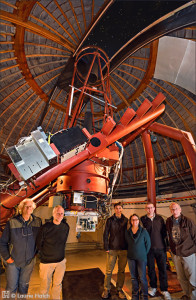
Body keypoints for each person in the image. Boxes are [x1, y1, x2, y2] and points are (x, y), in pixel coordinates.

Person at [0, 198, 42, 298]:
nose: (28, 209)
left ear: (33, 209)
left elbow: (41, 240)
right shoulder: (12, 222)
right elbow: (2, 242)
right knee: (11, 287)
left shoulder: (37, 222)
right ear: (21, 208)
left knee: (24, 286)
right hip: (13, 262)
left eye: (30, 207)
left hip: (29, 262)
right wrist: (7, 258)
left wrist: (36, 253)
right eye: (26, 206)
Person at [36, 205, 70, 300]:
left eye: (61, 213)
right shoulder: (45, 227)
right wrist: (44, 254)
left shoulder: (65, 227)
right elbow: (39, 243)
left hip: (60, 261)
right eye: (57, 213)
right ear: (53, 214)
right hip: (47, 262)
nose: (59, 215)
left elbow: (63, 242)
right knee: (44, 286)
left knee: (57, 284)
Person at [141, 202, 171, 300]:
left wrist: (166, 246)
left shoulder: (160, 219)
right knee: (151, 270)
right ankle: (153, 287)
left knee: (162, 269)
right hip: (148, 250)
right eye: (148, 208)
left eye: (151, 208)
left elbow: (164, 233)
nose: (149, 209)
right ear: (146, 209)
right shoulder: (143, 219)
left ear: (154, 208)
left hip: (161, 248)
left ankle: (164, 290)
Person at [166, 202, 196, 300]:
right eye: (172, 209)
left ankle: (194, 297)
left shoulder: (188, 221)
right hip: (176, 254)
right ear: (170, 210)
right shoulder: (168, 221)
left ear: (180, 209)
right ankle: (187, 295)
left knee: (192, 277)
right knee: (181, 277)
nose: (174, 211)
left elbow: (195, 237)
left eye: (176, 209)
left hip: (188, 253)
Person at [102, 202, 128, 299]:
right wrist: (106, 247)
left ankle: (119, 289)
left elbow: (129, 234)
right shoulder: (110, 220)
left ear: (122, 209)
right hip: (112, 249)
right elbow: (105, 234)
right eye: (116, 208)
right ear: (114, 209)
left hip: (123, 249)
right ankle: (106, 289)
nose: (118, 210)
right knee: (109, 271)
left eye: (120, 208)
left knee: (121, 271)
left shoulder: (126, 220)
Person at [125, 214, 151, 300]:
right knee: (133, 278)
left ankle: (144, 297)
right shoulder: (128, 232)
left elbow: (148, 244)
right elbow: (126, 244)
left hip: (141, 258)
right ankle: (135, 296)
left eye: (136, 219)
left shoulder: (143, 231)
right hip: (131, 257)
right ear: (130, 221)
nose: (134, 221)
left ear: (138, 221)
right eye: (132, 220)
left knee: (142, 278)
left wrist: (143, 253)